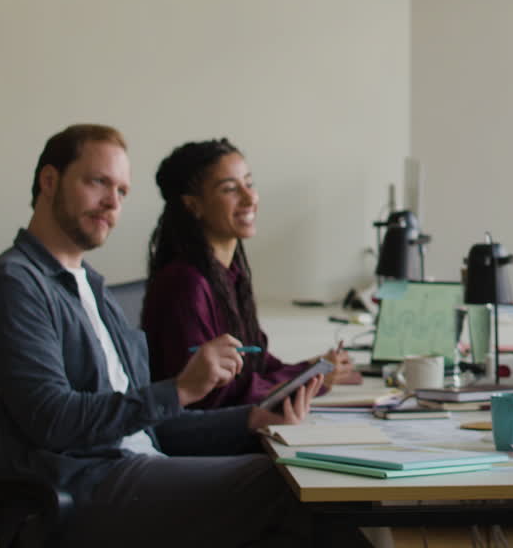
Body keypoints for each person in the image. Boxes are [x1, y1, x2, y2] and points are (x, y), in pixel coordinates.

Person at [0, 125, 344, 547]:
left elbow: (149, 424)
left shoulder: (93, 288)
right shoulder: (11, 285)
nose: (112, 202)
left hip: (129, 470)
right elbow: (55, 421)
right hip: (77, 491)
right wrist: (179, 390)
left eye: (122, 191)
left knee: (304, 479)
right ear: (50, 181)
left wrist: (251, 420)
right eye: (98, 182)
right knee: (290, 490)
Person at [143, 138, 359, 409]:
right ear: (193, 205)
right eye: (230, 189)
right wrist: (304, 380)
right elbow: (210, 396)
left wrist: (310, 370)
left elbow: (256, 364)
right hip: (206, 430)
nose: (250, 198)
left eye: (249, 183)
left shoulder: (228, 274)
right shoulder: (186, 284)